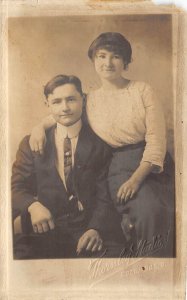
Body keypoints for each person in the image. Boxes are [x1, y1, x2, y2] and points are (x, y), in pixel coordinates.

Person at [29, 32, 175, 257]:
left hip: (151, 167)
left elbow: (156, 140)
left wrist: (136, 181)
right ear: (94, 60)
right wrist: (39, 127)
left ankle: (157, 274)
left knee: (153, 211)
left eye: (116, 56)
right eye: (102, 56)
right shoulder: (90, 99)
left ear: (125, 61)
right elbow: (61, 114)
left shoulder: (142, 90)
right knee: (142, 213)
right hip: (115, 166)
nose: (108, 63)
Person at [12, 74, 124, 259]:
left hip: (90, 228)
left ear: (83, 99)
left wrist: (95, 228)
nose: (65, 108)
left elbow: (106, 195)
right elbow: (15, 188)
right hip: (47, 228)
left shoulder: (100, 144)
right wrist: (33, 206)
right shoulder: (31, 143)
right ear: (47, 105)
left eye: (71, 99)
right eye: (56, 102)